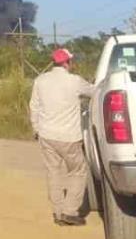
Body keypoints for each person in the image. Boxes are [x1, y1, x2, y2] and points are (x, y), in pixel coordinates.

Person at [29, 48, 94, 227]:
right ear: (67, 63)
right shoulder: (75, 81)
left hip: (46, 135)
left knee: (53, 172)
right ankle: (69, 211)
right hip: (69, 137)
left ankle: (58, 213)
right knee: (78, 171)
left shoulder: (40, 80)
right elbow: (94, 92)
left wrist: (36, 128)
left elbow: (34, 106)